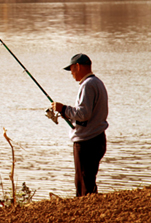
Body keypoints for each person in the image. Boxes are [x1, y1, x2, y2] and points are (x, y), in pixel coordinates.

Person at [52, 53, 108, 197]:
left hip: (87, 143)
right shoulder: (97, 83)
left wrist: (63, 109)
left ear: (78, 66)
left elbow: (84, 114)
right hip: (97, 138)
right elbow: (87, 117)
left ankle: (87, 213)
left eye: (71, 69)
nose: (71, 74)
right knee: (88, 181)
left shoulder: (87, 85)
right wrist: (68, 115)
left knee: (83, 184)